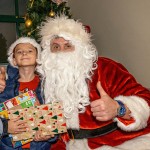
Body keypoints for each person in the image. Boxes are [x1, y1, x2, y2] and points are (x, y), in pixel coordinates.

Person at [1, 16, 150, 150]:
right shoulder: (47, 75)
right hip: (68, 143)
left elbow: (145, 99)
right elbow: (20, 73)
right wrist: (3, 75)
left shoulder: (105, 68)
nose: (61, 52)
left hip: (119, 141)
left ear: (81, 49)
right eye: (56, 47)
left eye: (68, 46)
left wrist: (120, 108)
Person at [0, 37, 57, 150]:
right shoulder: (4, 87)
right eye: (19, 52)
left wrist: (49, 134)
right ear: (14, 60)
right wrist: (5, 127)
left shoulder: (48, 86)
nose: (24, 53)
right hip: (8, 147)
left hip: (40, 147)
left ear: (37, 58)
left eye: (30, 51)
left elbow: (56, 124)